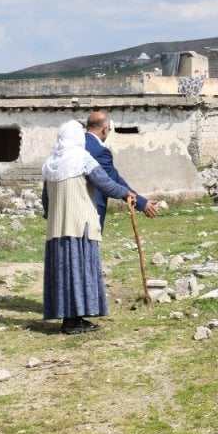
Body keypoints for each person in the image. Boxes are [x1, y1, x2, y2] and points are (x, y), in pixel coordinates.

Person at [41, 120, 135, 335]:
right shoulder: (82, 159)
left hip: (57, 228)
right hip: (79, 223)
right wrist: (126, 193)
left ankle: (70, 319)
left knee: (64, 272)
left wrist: (53, 217)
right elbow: (105, 183)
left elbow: (46, 200)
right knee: (80, 270)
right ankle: (75, 321)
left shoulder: (50, 165)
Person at [84, 111, 157, 229]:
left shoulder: (74, 145)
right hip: (89, 211)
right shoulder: (99, 151)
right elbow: (113, 180)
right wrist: (141, 202)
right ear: (105, 129)